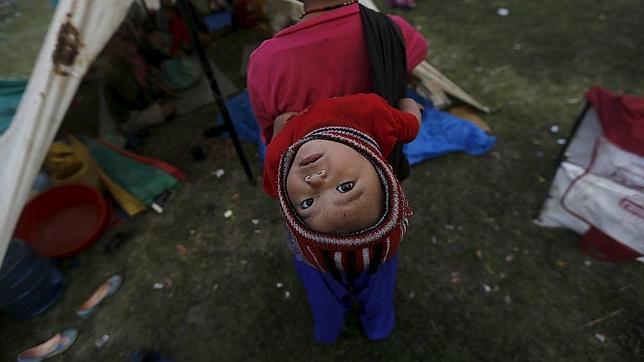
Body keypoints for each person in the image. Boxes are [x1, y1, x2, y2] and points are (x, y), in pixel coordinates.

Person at [262, 93, 421, 343]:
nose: (314, 181)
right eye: (345, 187)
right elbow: (411, 123)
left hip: (315, 256)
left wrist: (279, 130)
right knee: (378, 284)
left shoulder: (280, 156)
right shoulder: (368, 113)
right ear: (376, 166)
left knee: (322, 292)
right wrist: (409, 103)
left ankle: (328, 330)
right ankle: (378, 326)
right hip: (378, 251)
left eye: (307, 202)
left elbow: (273, 186)